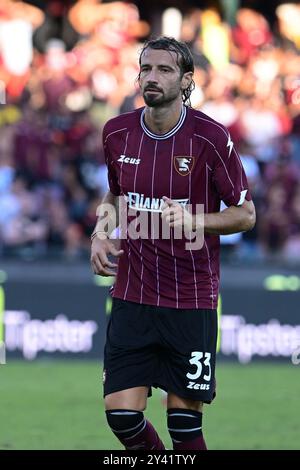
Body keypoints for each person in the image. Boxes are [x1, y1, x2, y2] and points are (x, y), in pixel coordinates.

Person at [90, 36, 255, 451]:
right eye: (146, 68)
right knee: (123, 418)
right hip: (132, 294)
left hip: (190, 299)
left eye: (164, 70)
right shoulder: (117, 133)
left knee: (184, 430)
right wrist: (100, 232)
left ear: (186, 81)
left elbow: (246, 214)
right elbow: (115, 193)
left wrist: (193, 219)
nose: (152, 77)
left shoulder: (210, 138)